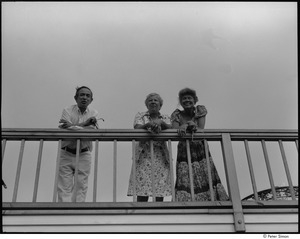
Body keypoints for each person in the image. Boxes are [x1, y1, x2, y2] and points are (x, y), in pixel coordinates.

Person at [171, 87, 229, 201]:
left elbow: (200, 129)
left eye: (189, 98)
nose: (187, 100)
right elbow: (175, 130)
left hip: (199, 147)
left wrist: (187, 125)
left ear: (195, 100)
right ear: (180, 102)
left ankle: (211, 199)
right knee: (185, 174)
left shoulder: (199, 110)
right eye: (184, 99)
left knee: (205, 172)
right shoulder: (177, 114)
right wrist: (185, 126)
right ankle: (186, 201)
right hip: (184, 149)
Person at [57, 86, 101, 202]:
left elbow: (92, 131)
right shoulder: (67, 110)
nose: (84, 98)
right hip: (66, 152)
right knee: (64, 185)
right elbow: (63, 130)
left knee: (81, 185)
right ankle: (64, 213)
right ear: (75, 98)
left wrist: (73, 126)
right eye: (82, 95)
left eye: (87, 96)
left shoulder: (94, 113)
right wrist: (84, 125)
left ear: (91, 99)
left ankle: (78, 212)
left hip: (84, 153)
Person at [127, 93, 172, 202]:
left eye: (156, 100)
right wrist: (149, 125)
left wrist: (161, 123)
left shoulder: (165, 117)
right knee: (142, 188)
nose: (153, 102)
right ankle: (140, 216)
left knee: (159, 189)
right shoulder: (141, 116)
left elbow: (171, 129)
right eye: (150, 100)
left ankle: (158, 216)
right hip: (143, 156)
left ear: (160, 105)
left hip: (160, 156)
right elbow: (137, 129)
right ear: (147, 105)